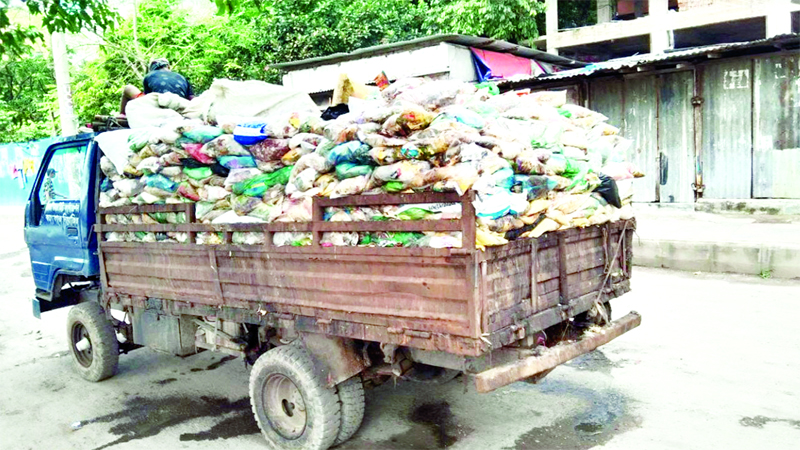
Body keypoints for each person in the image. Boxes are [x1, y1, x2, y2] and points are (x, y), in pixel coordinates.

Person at [119, 58, 195, 116]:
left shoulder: (149, 76)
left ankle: (123, 116)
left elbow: (148, 97)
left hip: (158, 105)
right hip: (180, 105)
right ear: (168, 67)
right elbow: (191, 98)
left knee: (128, 88)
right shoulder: (181, 77)